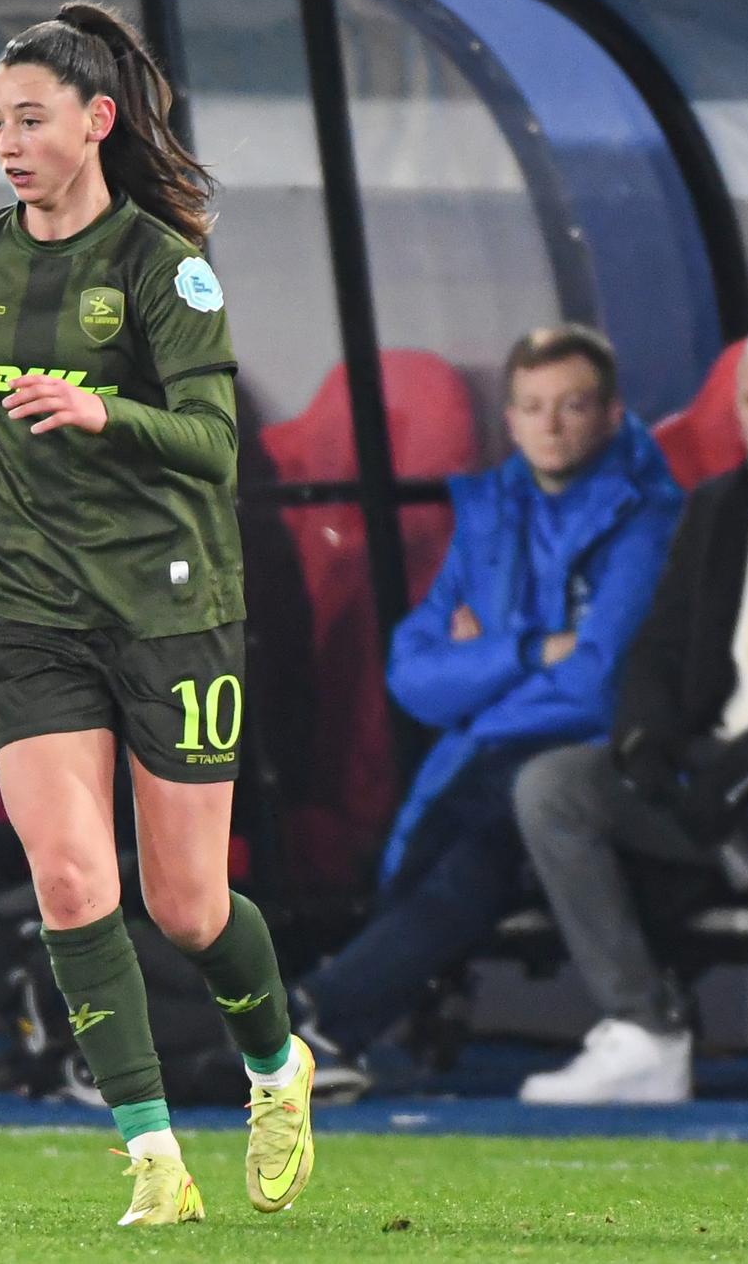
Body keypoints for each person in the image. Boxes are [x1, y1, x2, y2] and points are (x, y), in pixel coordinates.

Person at [0, 2, 309, 1224]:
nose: (7, 143)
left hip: (170, 607)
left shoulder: (162, 267)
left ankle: (276, 1066)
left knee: (185, 908)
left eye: (30, 119)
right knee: (73, 882)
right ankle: (152, 1158)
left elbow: (214, 445)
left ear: (95, 123)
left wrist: (103, 413)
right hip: (33, 611)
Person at [285, 326, 683, 1098]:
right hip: (483, 764)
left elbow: (600, 685)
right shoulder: (494, 512)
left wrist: (484, 663)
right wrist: (532, 650)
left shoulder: (648, 520)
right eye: (534, 407)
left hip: (602, 762)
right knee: (448, 852)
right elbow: (413, 673)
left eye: (573, 406)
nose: (553, 424)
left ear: (610, 414)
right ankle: (324, 1023)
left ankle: (323, 1019)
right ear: (510, 419)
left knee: (476, 835)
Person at [514, 325, 748, 1107]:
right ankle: (646, 1029)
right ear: (736, 413)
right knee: (555, 786)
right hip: (714, 776)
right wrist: (643, 742)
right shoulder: (714, 509)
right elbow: (659, 650)